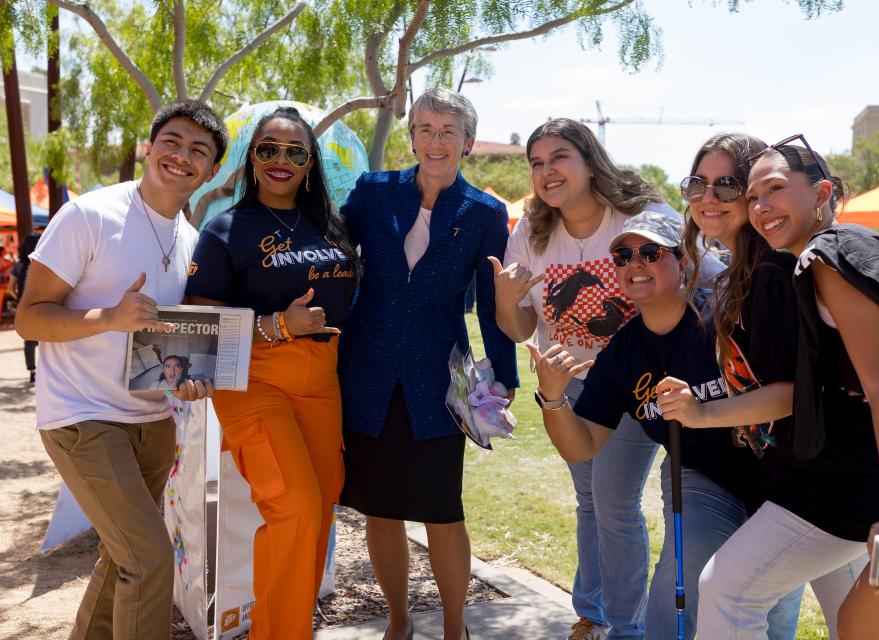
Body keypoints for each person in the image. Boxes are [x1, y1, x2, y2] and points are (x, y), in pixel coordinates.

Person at [725, 135, 879, 639]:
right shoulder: (844, 250)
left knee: (861, 628)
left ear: (821, 192)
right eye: (752, 197)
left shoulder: (827, 257)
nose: (761, 207)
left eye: (775, 189)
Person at [527, 211, 796, 638]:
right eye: (623, 255)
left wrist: (703, 411)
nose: (635, 264)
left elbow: (791, 393)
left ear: (684, 263)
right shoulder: (623, 352)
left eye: (651, 252)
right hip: (702, 479)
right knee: (676, 590)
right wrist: (554, 398)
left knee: (773, 615)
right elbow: (581, 446)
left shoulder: (729, 317)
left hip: (780, 478)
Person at [14, 101, 225, 640]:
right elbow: (29, 319)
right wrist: (108, 318)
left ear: (213, 171)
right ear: (148, 148)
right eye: (172, 142)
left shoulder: (192, 241)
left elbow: (175, 346)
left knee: (124, 555)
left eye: (199, 151)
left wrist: (193, 379)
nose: (182, 156)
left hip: (154, 423)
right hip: (83, 418)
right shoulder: (89, 215)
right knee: (150, 558)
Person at [658, 133, 878, 639]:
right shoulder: (743, 274)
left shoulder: (772, 274)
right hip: (810, 476)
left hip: (830, 481)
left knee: (727, 592)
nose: (708, 198)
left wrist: (702, 412)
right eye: (698, 184)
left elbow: (790, 391)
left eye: (727, 185)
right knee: (857, 626)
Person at [337, 87, 519, 640]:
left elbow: (491, 302)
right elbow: (336, 258)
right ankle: (398, 622)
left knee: (443, 509)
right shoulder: (372, 192)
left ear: (467, 141)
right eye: (425, 129)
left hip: (437, 381)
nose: (435, 142)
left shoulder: (486, 212)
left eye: (448, 132)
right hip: (364, 373)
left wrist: (505, 377)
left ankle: (455, 628)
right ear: (410, 135)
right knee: (380, 508)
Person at [493, 117, 683, 639]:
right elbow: (520, 328)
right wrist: (506, 301)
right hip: (568, 386)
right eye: (536, 162)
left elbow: (689, 275)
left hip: (633, 383)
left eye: (559, 157)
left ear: (588, 159)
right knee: (591, 501)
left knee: (613, 500)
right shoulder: (531, 233)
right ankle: (593, 613)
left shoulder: (639, 217)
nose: (547, 170)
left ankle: (626, 627)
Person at [186, 106, 357, 639]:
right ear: (251, 157)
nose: (280, 160)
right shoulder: (225, 230)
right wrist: (279, 326)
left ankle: (285, 628)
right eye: (268, 149)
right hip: (253, 379)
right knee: (296, 508)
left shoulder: (330, 224)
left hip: (322, 381)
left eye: (294, 152)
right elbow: (201, 326)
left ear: (310, 164)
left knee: (320, 511)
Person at [11, 232, 41, 383]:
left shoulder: (18, 266)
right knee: (46, 337)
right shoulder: (42, 265)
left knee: (28, 340)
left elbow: (11, 287)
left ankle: (32, 371)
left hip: (24, 305)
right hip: (41, 304)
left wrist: (18, 298)